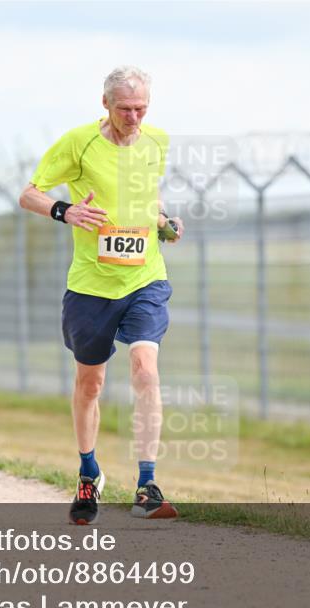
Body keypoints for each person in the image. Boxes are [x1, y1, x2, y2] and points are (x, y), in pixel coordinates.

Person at [19, 65, 183, 525]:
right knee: (90, 383)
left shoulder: (157, 141)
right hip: (91, 286)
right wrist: (65, 210)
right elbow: (28, 194)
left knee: (145, 370)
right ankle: (89, 471)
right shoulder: (78, 143)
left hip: (145, 278)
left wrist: (165, 222)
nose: (134, 118)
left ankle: (147, 485)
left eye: (142, 108)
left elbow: (149, 197)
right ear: (105, 104)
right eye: (125, 109)